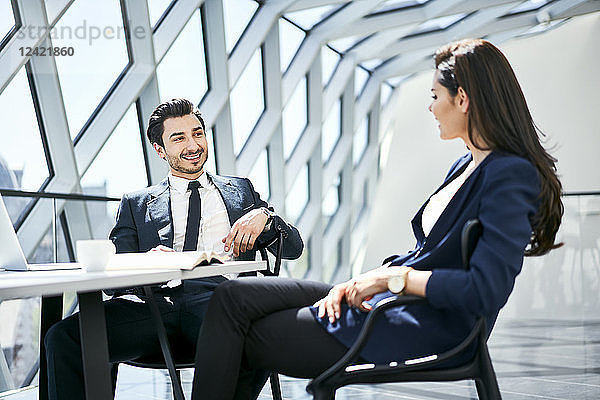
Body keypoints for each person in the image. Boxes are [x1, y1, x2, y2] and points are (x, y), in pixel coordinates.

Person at [191, 39, 564, 400]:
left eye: (435, 96)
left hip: (423, 325)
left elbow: (485, 289)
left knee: (245, 334)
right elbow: (429, 253)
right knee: (233, 296)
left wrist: (389, 279)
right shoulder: (465, 164)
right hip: (390, 301)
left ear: (462, 99)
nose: (430, 108)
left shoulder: (510, 173)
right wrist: (363, 280)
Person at [44, 98, 303, 400]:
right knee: (63, 337)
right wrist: (144, 263)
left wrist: (266, 217)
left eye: (197, 133)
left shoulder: (240, 190)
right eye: (178, 138)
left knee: (257, 336)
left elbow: (293, 248)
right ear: (159, 150)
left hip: (220, 303)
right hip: (153, 306)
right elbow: (114, 279)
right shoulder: (136, 203)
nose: (192, 145)